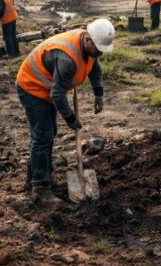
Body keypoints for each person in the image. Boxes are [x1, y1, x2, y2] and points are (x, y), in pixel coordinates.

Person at [15, 18, 114, 205]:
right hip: (32, 87)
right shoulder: (67, 59)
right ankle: (40, 189)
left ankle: (36, 176)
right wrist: (70, 117)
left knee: (48, 133)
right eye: (98, 48)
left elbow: (95, 68)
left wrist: (98, 94)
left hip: (48, 88)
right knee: (43, 135)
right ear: (88, 40)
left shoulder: (90, 47)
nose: (100, 52)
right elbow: (57, 94)